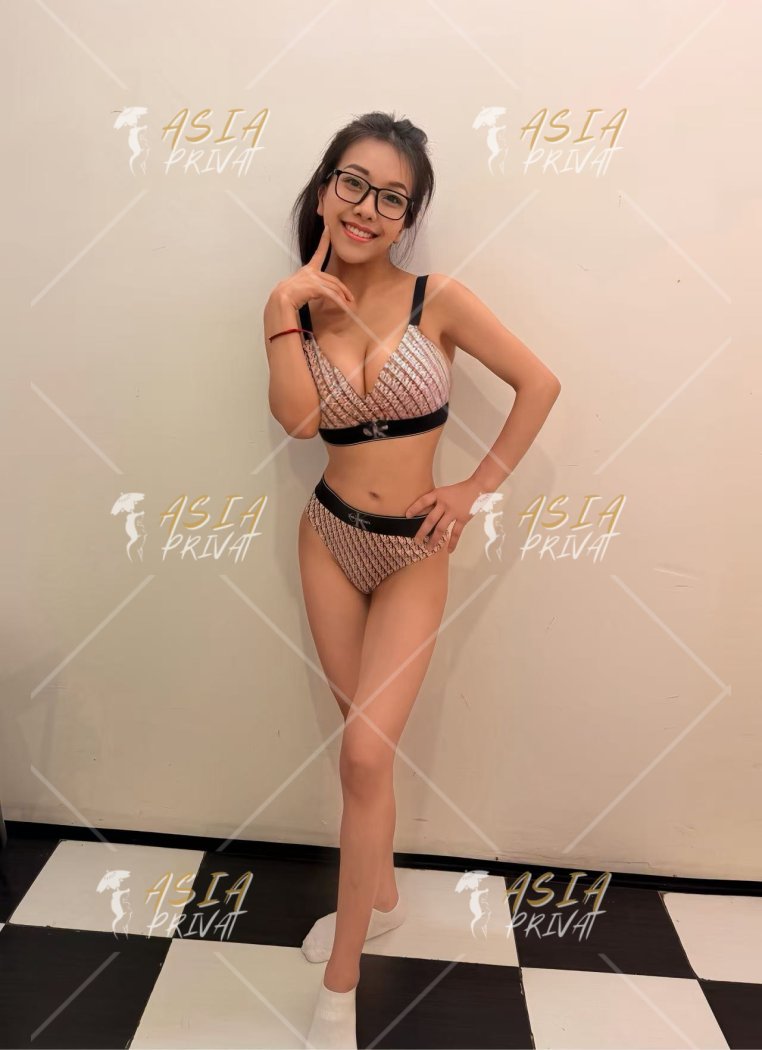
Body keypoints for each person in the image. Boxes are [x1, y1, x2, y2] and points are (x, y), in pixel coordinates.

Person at [262, 112, 561, 1049]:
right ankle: (381, 895)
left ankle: (341, 987)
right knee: (367, 756)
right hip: (328, 539)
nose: (367, 208)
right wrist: (279, 311)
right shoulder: (299, 307)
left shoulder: (441, 299)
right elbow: (299, 423)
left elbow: (540, 384)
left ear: (408, 218)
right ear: (325, 189)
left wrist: (474, 488)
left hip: (412, 555)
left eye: (392, 198)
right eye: (353, 183)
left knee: (362, 756)